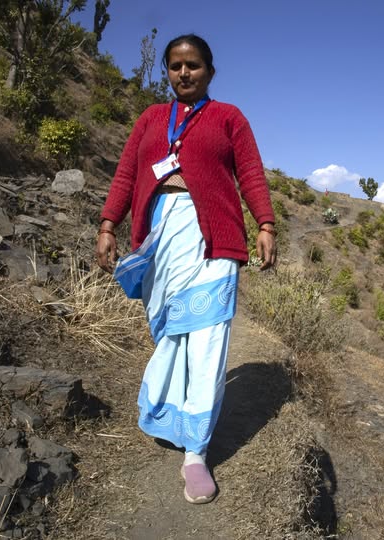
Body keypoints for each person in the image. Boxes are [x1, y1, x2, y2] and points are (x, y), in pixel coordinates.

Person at [95, 33, 277, 504]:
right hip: (160, 239)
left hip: (213, 238)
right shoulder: (152, 118)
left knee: (208, 338)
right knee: (171, 333)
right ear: (168, 71)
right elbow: (127, 175)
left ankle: (195, 451)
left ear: (210, 71)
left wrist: (266, 223)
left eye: (193, 65)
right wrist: (108, 223)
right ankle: (169, 411)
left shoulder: (228, 118)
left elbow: (251, 172)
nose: (183, 73)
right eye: (175, 65)